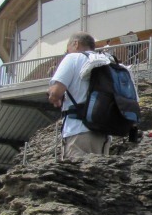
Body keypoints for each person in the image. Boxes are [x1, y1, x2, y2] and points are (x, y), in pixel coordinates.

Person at [47, 31, 115, 159]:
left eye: (67, 48)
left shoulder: (73, 58)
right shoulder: (107, 61)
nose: (67, 52)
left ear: (75, 43)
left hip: (78, 131)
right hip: (104, 133)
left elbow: (56, 93)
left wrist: (53, 96)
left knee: (76, 170)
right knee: (98, 170)